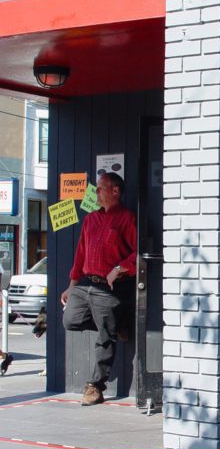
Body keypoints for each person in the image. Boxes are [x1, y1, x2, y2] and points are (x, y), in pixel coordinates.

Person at [61, 173, 136, 406]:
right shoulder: (90, 219)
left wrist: (119, 268)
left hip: (111, 287)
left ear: (115, 191)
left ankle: (95, 386)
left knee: (105, 336)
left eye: (100, 189)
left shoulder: (127, 218)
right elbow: (80, 255)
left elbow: (138, 253)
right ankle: (117, 323)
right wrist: (71, 286)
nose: (96, 193)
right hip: (87, 284)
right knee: (70, 320)